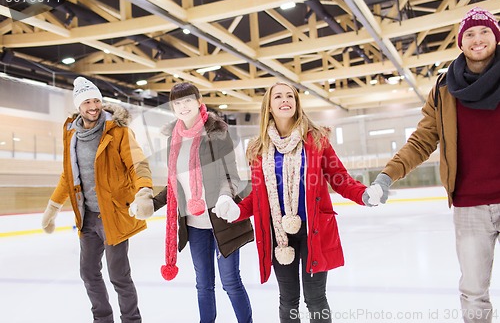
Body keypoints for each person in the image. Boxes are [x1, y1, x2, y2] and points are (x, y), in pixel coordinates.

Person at [367, 7, 500, 323]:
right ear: (460, 41)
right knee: (473, 290)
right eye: (469, 33)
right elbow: (422, 140)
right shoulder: (444, 89)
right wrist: (387, 176)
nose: (477, 39)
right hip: (470, 206)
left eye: (484, 31)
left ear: (496, 36)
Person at [215, 82, 380, 323]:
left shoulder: (316, 140)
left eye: (290, 96)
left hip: (314, 230)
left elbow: (340, 178)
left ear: (296, 102)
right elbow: (258, 197)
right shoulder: (258, 148)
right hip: (279, 234)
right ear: (269, 107)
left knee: (315, 299)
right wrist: (236, 211)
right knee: (288, 299)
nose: (285, 100)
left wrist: (364, 194)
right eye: (278, 96)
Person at [41, 76, 154, 323]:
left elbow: (137, 163)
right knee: (89, 273)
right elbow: (68, 176)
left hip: (113, 214)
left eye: (96, 101)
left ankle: (131, 320)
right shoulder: (72, 135)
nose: (93, 106)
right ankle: (102, 319)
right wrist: (52, 208)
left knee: (119, 276)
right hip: (87, 217)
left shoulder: (118, 131)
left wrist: (144, 191)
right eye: (86, 102)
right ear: (78, 106)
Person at [149, 82, 254, 323]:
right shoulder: (172, 140)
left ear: (198, 101)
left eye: (187, 100)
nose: (183, 106)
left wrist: (227, 196)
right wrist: (154, 203)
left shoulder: (217, 132)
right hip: (194, 226)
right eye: (177, 102)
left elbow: (232, 176)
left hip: (222, 219)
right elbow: (176, 184)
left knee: (230, 282)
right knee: (203, 285)